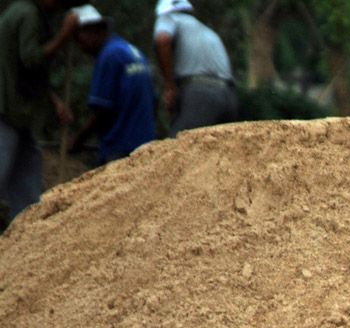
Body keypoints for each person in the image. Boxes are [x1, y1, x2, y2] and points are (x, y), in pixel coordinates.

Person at [0, 0, 76, 222]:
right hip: (6, 112)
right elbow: (32, 59)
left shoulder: (27, 12)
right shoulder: (29, 14)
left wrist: (54, 103)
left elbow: (23, 71)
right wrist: (64, 36)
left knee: (28, 176)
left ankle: (27, 239)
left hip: (18, 114)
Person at [66, 6, 155, 165]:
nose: (80, 47)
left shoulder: (109, 55)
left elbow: (102, 110)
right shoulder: (131, 50)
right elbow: (154, 101)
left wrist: (77, 139)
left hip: (121, 146)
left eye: (79, 40)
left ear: (94, 31)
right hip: (146, 143)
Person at [153, 0, 236, 136]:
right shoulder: (207, 31)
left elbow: (162, 40)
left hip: (200, 96)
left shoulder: (168, 18)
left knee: (179, 147)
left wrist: (169, 87)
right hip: (229, 96)